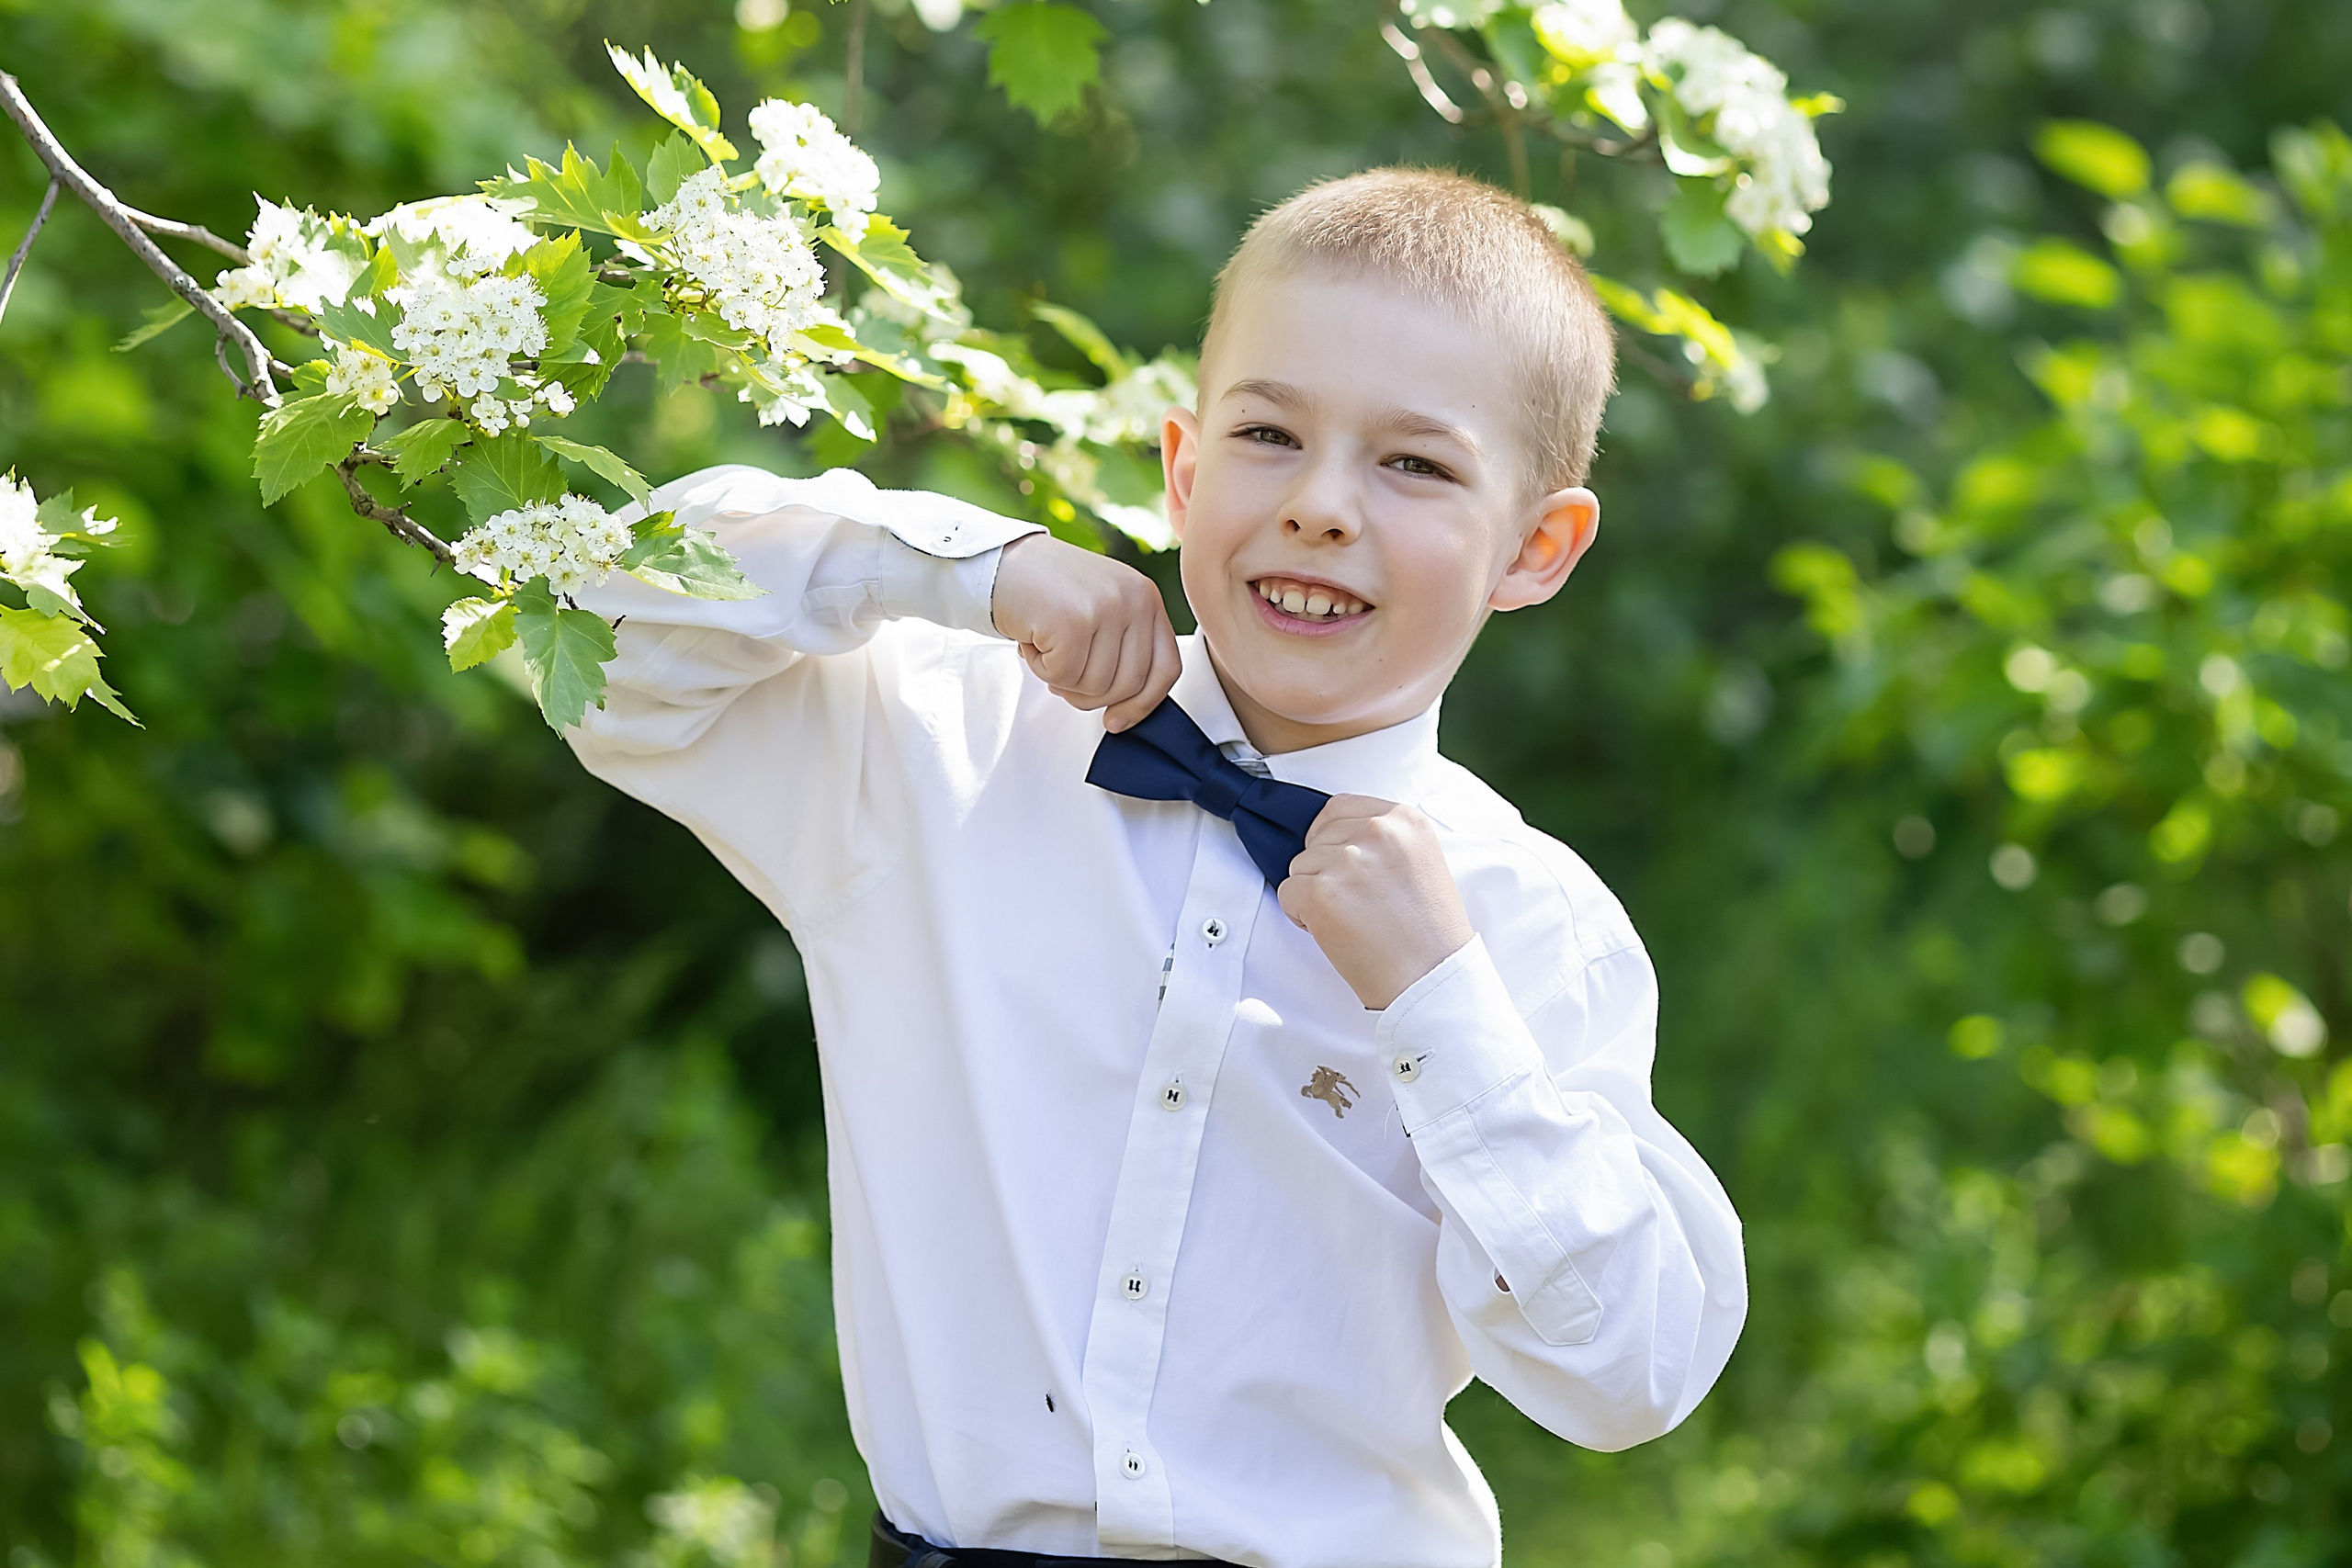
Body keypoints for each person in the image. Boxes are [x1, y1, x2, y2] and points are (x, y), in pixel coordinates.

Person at [568, 167, 1745, 1568]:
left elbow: (1631, 1375)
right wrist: (964, 572)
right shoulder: (941, 747)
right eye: (1268, 434)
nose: (1319, 505)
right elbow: (599, 621)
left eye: (1414, 463)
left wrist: (1443, 1010)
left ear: (1536, 549)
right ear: (1182, 469)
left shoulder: (1528, 923)